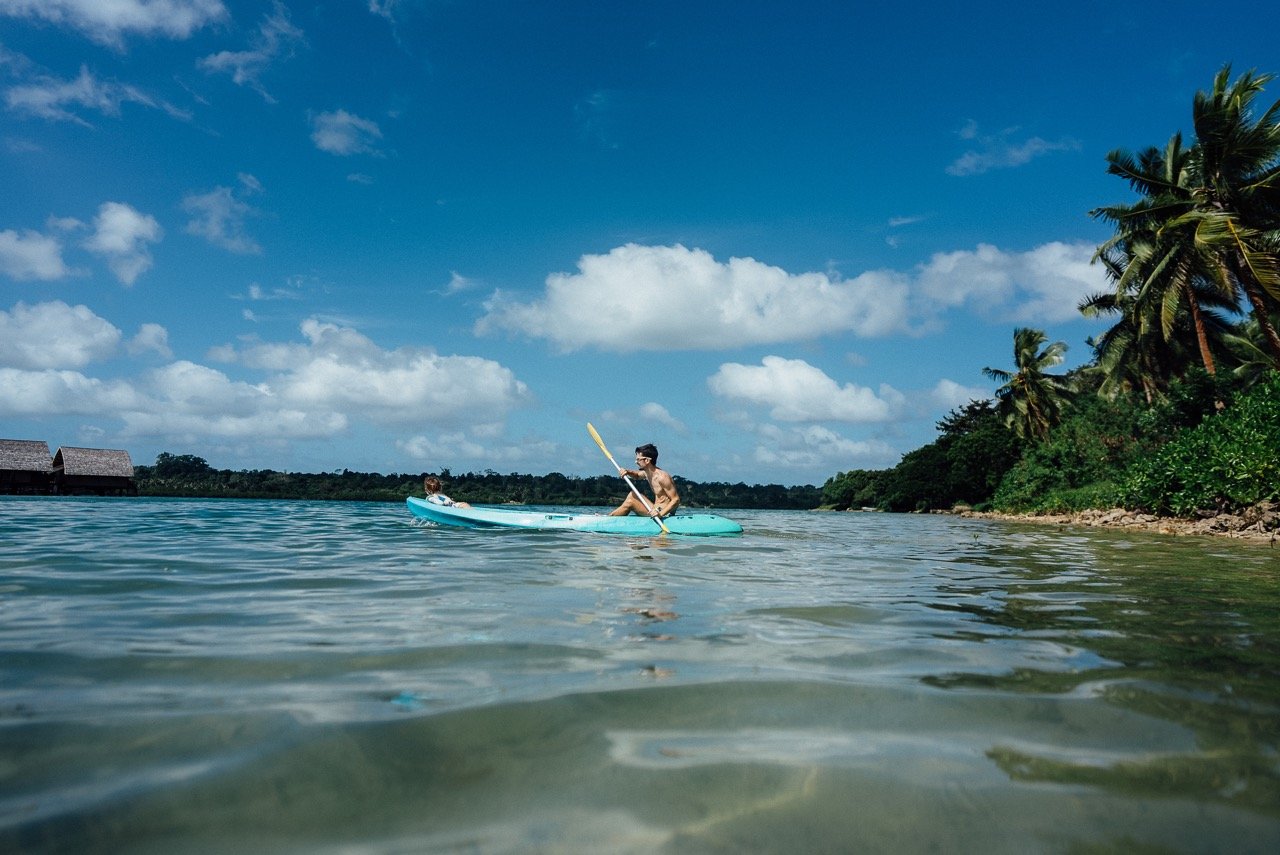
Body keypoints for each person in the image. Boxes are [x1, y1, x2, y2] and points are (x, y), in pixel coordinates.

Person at [608, 443, 680, 518]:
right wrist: (627, 471)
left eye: (638, 459)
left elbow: (676, 500)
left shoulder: (662, 477)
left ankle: (609, 518)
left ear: (647, 460)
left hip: (663, 512)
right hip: (654, 509)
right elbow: (637, 475)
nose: (636, 462)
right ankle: (610, 516)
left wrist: (660, 514)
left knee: (631, 500)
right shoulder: (648, 473)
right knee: (633, 494)